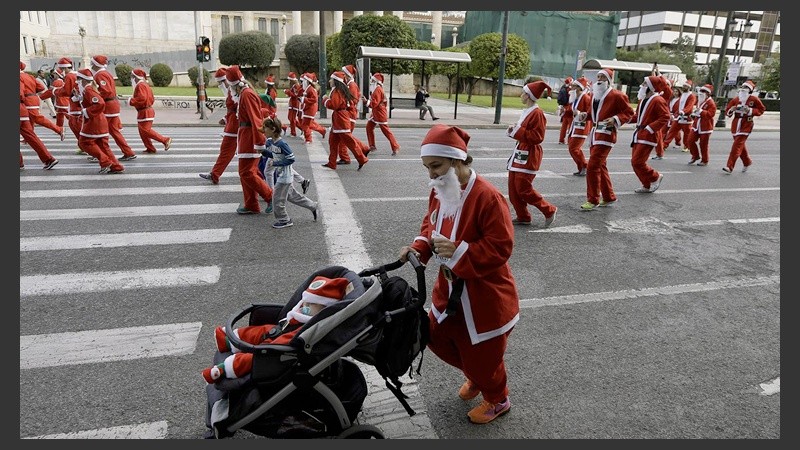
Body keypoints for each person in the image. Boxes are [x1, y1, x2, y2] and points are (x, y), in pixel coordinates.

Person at [398, 124, 519, 425]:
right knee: (435, 336)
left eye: (436, 166)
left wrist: (459, 250)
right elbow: (431, 224)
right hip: (449, 289)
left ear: (456, 161)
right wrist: (419, 247)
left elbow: (501, 247)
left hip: (484, 297)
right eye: (427, 167)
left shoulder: (489, 197)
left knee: (483, 355)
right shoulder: (441, 190)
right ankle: (477, 376)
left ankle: (497, 398)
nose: (431, 175)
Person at [202, 276, 352, 383]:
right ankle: (230, 341)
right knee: (261, 330)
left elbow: (286, 342)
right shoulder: (300, 313)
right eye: (304, 304)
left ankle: (223, 369)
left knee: (255, 357)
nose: (304, 307)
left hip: (283, 347)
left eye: (309, 306)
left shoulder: (312, 328)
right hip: (282, 329)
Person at [505, 80, 558, 228]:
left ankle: (549, 210)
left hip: (529, 154)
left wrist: (517, 130)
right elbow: (524, 134)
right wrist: (514, 130)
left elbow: (537, 137)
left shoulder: (538, 113)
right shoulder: (528, 112)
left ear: (528, 96)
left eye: (523, 93)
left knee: (523, 188)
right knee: (513, 190)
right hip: (521, 152)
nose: (521, 95)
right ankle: (523, 216)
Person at [581, 68, 634, 211]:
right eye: (598, 77)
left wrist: (616, 119)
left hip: (606, 135)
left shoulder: (617, 95)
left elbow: (629, 112)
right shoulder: (594, 95)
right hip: (595, 134)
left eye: (602, 77)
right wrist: (586, 116)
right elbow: (594, 113)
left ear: (609, 80)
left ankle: (593, 199)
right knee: (600, 166)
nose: (599, 80)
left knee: (592, 166)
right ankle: (609, 196)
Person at [225, 65, 273, 214]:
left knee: (247, 173)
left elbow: (256, 120)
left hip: (250, 138)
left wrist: (259, 142)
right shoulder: (245, 94)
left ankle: (270, 196)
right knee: (246, 172)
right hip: (246, 136)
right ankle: (251, 204)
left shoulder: (247, 94)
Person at [260, 117, 318, 229]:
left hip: (285, 177)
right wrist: (265, 152)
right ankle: (312, 206)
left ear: (273, 129)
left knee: (276, 200)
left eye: (265, 128)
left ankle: (284, 219)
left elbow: (291, 159)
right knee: (293, 196)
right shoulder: (270, 142)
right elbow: (275, 155)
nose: (263, 131)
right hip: (282, 176)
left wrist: (276, 163)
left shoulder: (282, 144)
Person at [74, 68, 125, 174]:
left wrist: (86, 111)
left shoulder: (88, 90)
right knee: (103, 146)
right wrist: (78, 98)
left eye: (78, 79)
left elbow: (100, 103)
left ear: (83, 80)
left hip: (94, 121)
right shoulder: (89, 90)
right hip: (100, 120)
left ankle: (105, 161)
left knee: (84, 143)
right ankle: (116, 166)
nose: (77, 81)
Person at [90, 55, 138, 161]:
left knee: (99, 130)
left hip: (107, 106)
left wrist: (95, 97)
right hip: (113, 105)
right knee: (114, 131)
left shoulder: (100, 75)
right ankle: (128, 152)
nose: (91, 65)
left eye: (92, 63)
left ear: (96, 64)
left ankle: (100, 154)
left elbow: (106, 91)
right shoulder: (105, 73)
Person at [628, 75, 670, 194]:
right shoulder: (643, 100)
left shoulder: (658, 100)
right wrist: (625, 119)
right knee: (635, 162)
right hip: (639, 134)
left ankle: (655, 176)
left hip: (648, 135)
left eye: (645, 84)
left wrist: (650, 128)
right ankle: (646, 185)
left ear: (651, 87)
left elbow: (665, 117)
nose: (642, 86)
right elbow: (638, 116)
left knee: (638, 162)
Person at [321, 71, 369, 171]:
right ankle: (332, 162)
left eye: (331, 79)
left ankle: (362, 159)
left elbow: (334, 104)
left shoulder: (338, 91)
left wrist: (325, 100)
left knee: (350, 142)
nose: (330, 81)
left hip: (341, 119)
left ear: (335, 81)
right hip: (339, 119)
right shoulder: (339, 90)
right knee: (333, 142)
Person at [199, 67, 238, 185]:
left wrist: (226, 119)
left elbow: (239, 109)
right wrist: (226, 118)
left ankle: (264, 182)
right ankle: (215, 174)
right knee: (227, 151)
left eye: (222, 82)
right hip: (233, 126)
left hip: (236, 127)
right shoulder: (232, 90)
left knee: (246, 157)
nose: (221, 85)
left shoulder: (235, 91)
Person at [722, 79, 765, 174]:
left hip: (746, 124)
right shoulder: (736, 99)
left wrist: (750, 111)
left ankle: (730, 166)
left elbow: (761, 109)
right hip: (736, 123)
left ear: (750, 90)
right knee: (740, 146)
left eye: (746, 88)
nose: (743, 89)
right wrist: (731, 110)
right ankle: (747, 161)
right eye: (743, 87)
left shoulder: (754, 99)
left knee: (736, 146)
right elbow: (727, 111)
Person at [127, 68, 172, 154]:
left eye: (132, 76)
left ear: (136, 77)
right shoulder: (144, 85)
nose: (132, 78)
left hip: (145, 111)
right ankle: (150, 147)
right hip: (145, 110)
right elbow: (150, 98)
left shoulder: (140, 85)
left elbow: (142, 98)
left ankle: (165, 140)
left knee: (145, 130)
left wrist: (131, 101)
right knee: (142, 131)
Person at [19, 76, 59, 170]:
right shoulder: (29, 76)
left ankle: (19, 163)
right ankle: (48, 159)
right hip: (23, 109)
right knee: (32, 137)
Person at [20, 61, 65, 141]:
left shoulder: (21, 76)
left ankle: (59, 129)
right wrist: (33, 93)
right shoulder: (30, 76)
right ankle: (28, 137)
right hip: (33, 99)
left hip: (28, 100)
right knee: (30, 119)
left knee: (37, 118)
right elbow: (41, 87)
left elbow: (21, 93)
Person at [339, 64, 372, 163]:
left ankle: (345, 157)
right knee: (347, 137)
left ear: (347, 75)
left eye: (343, 73)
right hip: (350, 115)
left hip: (349, 115)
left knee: (345, 139)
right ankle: (364, 148)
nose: (342, 75)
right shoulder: (350, 84)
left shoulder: (351, 85)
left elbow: (352, 100)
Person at [53, 57, 85, 154]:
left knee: (76, 126)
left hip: (75, 104)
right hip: (78, 103)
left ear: (65, 68)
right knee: (76, 125)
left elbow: (66, 91)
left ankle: (85, 146)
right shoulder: (76, 74)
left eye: (62, 69)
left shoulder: (69, 76)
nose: (61, 72)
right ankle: (83, 146)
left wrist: (55, 91)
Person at [363, 72, 401, 155]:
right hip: (377, 112)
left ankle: (395, 146)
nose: (371, 82)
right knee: (369, 127)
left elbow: (374, 103)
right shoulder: (377, 89)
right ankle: (372, 145)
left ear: (376, 82)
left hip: (379, 112)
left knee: (386, 131)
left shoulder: (377, 90)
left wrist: (366, 101)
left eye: (373, 80)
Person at [661, 79, 695, 158]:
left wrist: (684, 111)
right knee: (672, 131)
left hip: (686, 118)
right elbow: (679, 106)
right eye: (684, 86)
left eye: (686, 86)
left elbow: (690, 105)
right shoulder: (682, 95)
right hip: (679, 117)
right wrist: (675, 114)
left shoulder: (691, 96)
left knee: (687, 133)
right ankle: (664, 145)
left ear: (689, 87)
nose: (684, 87)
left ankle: (686, 146)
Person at [566, 76, 592, 176]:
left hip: (582, 127)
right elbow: (571, 110)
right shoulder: (574, 98)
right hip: (574, 127)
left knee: (574, 148)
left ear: (578, 88)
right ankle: (581, 167)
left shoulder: (585, 97)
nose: (571, 88)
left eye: (573, 86)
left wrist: (580, 113)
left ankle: (585, 166)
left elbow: (590, 112)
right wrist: (565, 111)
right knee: (572, 148)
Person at [685, 84, 717, 167]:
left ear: (708, 94)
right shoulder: (700, 100)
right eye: (701, 91)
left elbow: (711, 114)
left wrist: (701, 111)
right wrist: (694, 114)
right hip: (697, 125)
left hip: (705, 126)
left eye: (704, 91)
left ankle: (705, 160)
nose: (701, 93)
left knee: (703, 144)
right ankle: (695, 156)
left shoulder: (711, 103)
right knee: (690, 140)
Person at [299, 72, 327, 144]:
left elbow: (314, 99)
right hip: (308, 108)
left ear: (308, 81)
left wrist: (304, 99)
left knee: (305, 125)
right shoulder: (309, 88)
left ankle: (308, 139)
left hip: (310, 109)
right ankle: (321, 130)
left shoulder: (311, 89)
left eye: (304, 80)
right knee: (309, 124)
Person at [283, 72, 303, 137]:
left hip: (295, 104)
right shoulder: (294, 85)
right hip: (292, 103)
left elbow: (295, 95)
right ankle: (301, 128)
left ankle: (293, 132)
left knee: (292, 118)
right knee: (290, 118)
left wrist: (287, 91)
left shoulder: (296, 86)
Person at [556, 76, 573, 144]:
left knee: (564, 125)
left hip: (564, 108)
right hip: (569, 108)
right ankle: (570, 140)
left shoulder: (563, 88)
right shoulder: (570, 90)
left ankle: (561, 139)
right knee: (571, 126)